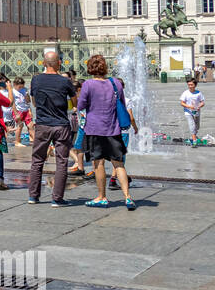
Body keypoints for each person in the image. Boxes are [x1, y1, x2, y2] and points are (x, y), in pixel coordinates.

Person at [78, 54, 138, 209]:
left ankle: (102, 197)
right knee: (118, 164)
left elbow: (81, 105)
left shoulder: (88, 85)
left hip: (94, 129)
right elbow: (123, 104)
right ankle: (128, 197)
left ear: (90, 68)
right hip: (113, 129)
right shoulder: (116, 83)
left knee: (98, 163)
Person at [28, 53, 76, 205]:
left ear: (43, 62)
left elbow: (34, 102)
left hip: (42, 124)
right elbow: (75, 102)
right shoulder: (65, 81)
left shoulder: (36, 79)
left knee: (37, 161)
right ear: (59, 63)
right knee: (62, 162)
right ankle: (57, 198)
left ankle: (33, 196)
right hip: (61, 124)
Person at [180, 77, 205, 146]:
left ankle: (193, 136)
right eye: (189, 85)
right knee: (192, 125)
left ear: (195, 85)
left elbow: (202, 102)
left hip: (196, 112)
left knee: (197, 127)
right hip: (188, 112)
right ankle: (194, 140)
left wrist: (199, 106)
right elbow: (182, 103)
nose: (190, 86)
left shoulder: (198, 93)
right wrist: (189, 107)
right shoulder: (185, 93)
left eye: (191, 85)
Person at [11, 77, 32, 145]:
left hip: (26, 110)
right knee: (20, 125)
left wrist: (27, 95)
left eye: (22, 87)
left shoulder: (24, 90)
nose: (21, 88)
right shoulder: (12, 91)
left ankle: (33, 140)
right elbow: (12, 103)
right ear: (14, 84)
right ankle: (17, 141)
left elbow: (28, 101)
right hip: (18, 110)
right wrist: (16, 113)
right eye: (19, 87)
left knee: (31, 125)